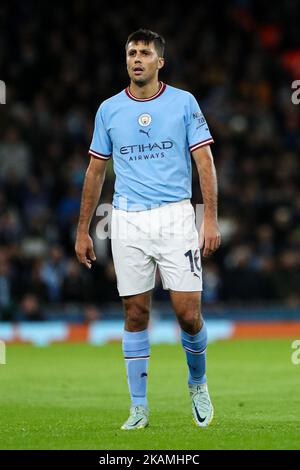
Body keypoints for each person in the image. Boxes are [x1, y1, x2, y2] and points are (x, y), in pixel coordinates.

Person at [75, 29, 221, 430]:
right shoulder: (108, 110)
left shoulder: (183, 103)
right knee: (135, 312)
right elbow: (95, 171)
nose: (136, 59)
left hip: (175, 216)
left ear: (160, 61)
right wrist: (83, 229)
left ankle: (198, 382)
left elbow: (204, 162)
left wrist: (208, 217)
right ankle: (138, 407)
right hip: (127, 219)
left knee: (188, 314)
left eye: (144, 53)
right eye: (131, 53)